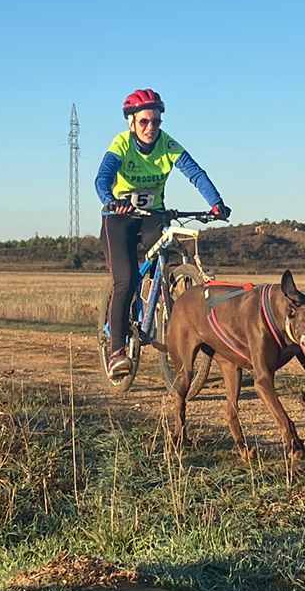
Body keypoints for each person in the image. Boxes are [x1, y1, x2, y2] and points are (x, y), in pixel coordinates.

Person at [95, 88, 229, 379]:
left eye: (156, 121)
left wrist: (216, 203)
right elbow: (102, 178)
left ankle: (162, 301)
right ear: (131, 123)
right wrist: (109, 198)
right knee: (125, 280)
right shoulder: (121, 145)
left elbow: (195, 173)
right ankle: (117, 349)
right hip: (118, 218)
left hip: (152, 215)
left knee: (166, 255)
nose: (151, 127)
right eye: (144, 121)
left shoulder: (167, 145)